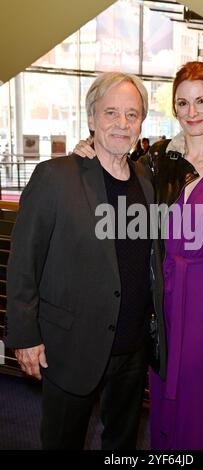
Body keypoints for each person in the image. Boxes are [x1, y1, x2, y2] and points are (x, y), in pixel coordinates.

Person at [74, 61, 203, 450]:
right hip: (161, 300)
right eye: (183, 103)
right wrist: (89, 147)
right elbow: (117, 176)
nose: (192, 112)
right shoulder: (157, 161)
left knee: (201, 404)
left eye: (201, 101)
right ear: (174, 108)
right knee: (162, 401)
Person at [4, 72, 166, 450]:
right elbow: (24, 261)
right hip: (70, 345)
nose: (122, 124)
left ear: (142, 121)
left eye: (132, 114)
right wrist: (25, 335)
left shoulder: (146, 181)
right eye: (111, 112)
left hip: (132, 347)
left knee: (122, 445)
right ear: (91, 119)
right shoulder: (55, 177)